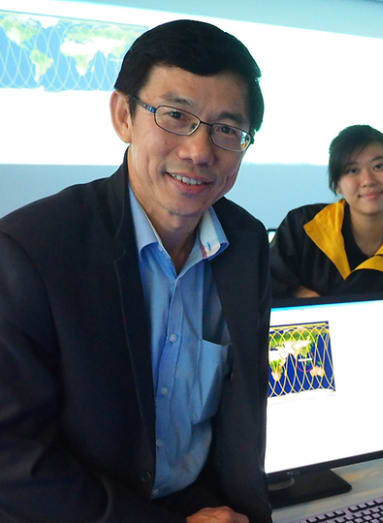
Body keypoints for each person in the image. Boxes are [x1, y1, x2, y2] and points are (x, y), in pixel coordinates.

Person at [0, 20, 272, 522]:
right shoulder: (31, 250)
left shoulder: (247, 243)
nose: (199, 151)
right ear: (124, 115)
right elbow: (12, 459)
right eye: (176, 116)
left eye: (227, 130)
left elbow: (238, 417)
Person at [270, 124, 383, 298]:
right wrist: (302, 296)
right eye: (353, 170)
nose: (368, 180)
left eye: (379, 166)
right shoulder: (302, 226)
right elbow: (266, 285)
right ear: (337, 185)